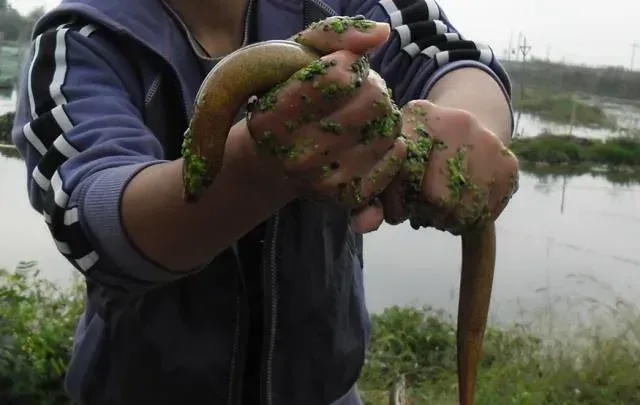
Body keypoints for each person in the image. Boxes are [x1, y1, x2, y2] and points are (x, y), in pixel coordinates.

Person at [11, 0, 518, 404]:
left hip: (325, 391)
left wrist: (456, 135)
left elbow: (452, 59)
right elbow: (89, 219)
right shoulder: (76, 41)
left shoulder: (346, 4)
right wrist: (255, 170)